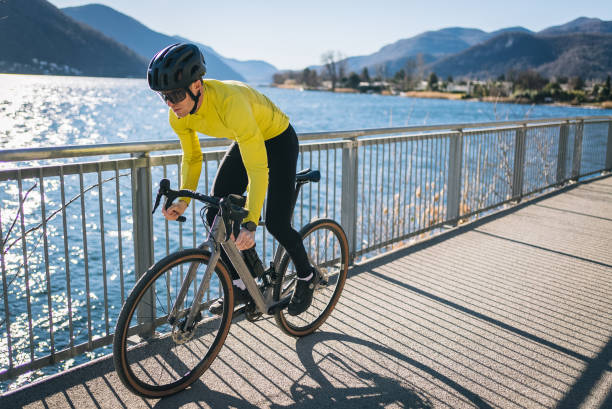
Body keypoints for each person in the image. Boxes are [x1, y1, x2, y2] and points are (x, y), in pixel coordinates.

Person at [147, 43, 317, 316]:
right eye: (163, 96)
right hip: (247, 137)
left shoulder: (230, 104)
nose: (170, 103)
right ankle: (240, 285)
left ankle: (307, 277)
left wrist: (250, 222)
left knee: (275, 222)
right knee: (216, 211)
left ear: (197, 86)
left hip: (278, 140)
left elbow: (258, 170)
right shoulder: (178, 115)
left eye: (176, 95)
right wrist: (182, 202)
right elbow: (192, 159)